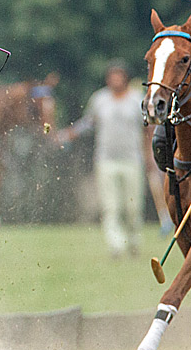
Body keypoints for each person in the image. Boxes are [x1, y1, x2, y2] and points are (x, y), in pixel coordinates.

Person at [54, 62, 149, 258]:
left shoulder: (136, 99)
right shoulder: (100, 99)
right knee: (111, 206)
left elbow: (148, 129)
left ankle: (133, 241)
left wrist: (150, 155)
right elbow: (88, 123)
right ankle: (116, 245)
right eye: (112, 76)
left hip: (132, 159)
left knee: (132, 207)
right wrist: (68, 134)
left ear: (126, 78)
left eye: (119, 76)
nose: (115, 80)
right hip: (106, 160)